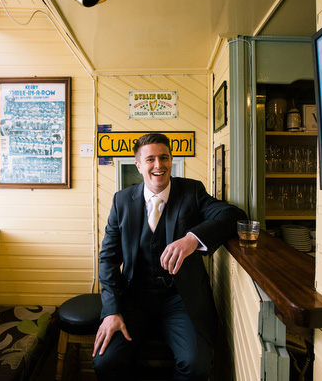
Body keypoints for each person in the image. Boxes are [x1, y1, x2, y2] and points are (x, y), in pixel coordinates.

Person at [92, 133, 247, 380]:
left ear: (171, 160)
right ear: (139, 165)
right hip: (134, 298)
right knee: (106, 362)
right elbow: (108, 259)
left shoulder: (192, 191)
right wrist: (111, 311)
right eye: (150, 159)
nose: (158, 165)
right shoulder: (121, 201)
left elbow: (234, 215)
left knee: (196, 366)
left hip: (181, 299)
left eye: (164, 157)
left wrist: (192, 238)